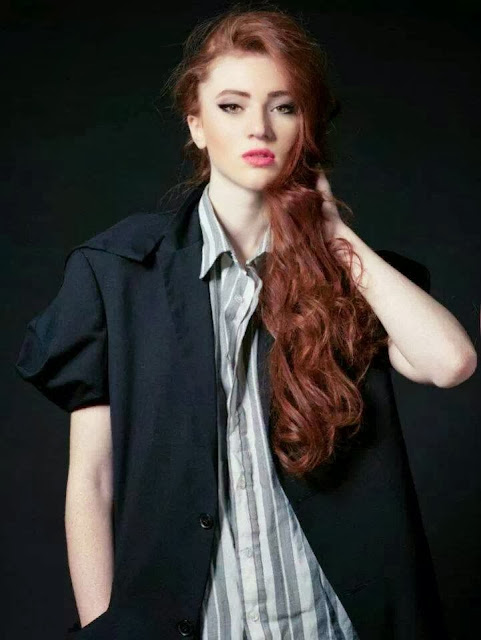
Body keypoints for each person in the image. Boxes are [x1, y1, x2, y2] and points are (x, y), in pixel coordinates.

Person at [15, 5, 476, 640]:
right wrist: (103, 630)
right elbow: (91, 482)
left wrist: (333, 234)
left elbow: (451, 363)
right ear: (196, 125)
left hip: (329, 622)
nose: (259, 127)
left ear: (305, 128)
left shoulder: (354, 274)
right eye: (232, 106)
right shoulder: (115, 273)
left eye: (283, 107)